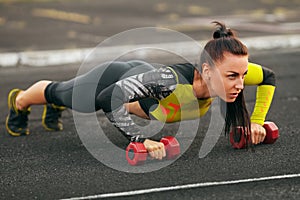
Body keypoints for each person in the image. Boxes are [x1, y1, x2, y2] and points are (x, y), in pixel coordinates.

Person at [5, 21, 276, 160]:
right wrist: (138, 138)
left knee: (70, 98)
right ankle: (20, 100)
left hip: (142, 86)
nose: (240, 84)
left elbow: (269, 77)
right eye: (232, 77)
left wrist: (257, 121)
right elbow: (108, 97)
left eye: (242, 75)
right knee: (65, 94)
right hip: (113, 78)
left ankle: (55, 105)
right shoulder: (168, 82)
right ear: (207, 71)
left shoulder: (233, 70)